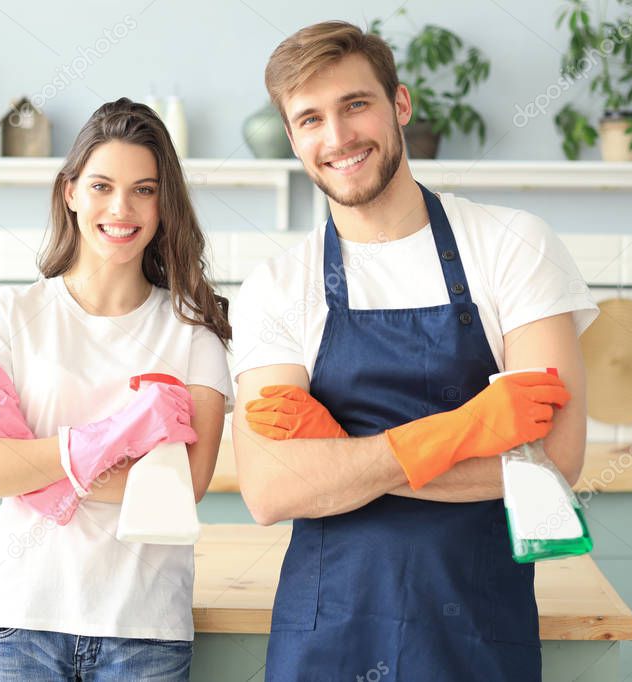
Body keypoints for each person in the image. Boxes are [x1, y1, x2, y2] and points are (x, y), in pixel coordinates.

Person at [230, 21, 599, 681]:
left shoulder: (513, 245)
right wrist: (468, 429)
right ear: (292, 140)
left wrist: (338, 453)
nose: (337, 137)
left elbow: (552, 465)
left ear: (399, 105)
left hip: (476, 633)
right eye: (310, 119)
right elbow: (269, 490)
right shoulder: (277, 287)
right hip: (326, 635)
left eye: (355, 105)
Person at [0, 97, 233, 681]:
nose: (121, 208)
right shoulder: (8, 314)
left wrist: (29, 463)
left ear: (163, 203)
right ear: (70, 191)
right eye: (102, 185)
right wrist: (107, 444)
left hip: (143, 629)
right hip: (18, 620)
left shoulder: (194, 332)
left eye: (144, 190)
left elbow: (180, 491)